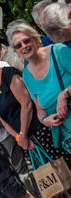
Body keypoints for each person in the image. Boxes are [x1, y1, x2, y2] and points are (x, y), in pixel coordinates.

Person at [0, 53, 71, 198]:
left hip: (38, 130)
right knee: (50, 177)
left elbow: (26, 105)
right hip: (24, 139)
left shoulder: (9, 74)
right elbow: (2, 118)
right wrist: (18, 138)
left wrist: (23, 134)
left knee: (61, 171)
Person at [8, 19, 71, 155]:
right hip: (67, 136)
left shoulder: (58, 52)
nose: (24, 46)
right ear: (17, 52)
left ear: (36, 39)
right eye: (18, 46)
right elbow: (40, 109)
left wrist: (64, 94)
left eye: (26, 40)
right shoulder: (26, 75)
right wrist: (45, 120)